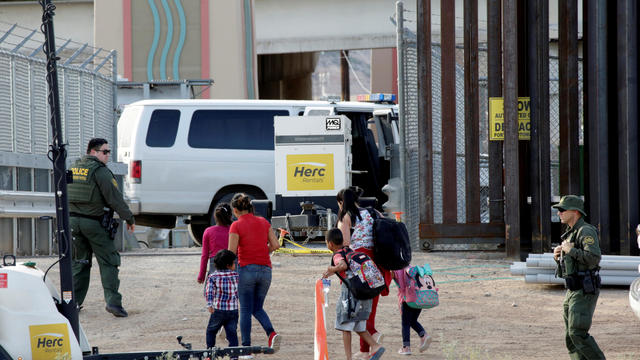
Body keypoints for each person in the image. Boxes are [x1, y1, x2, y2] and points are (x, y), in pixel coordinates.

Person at [67, 138, 135, 317]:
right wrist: (129, 218)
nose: (107, 156)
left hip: (72, 223)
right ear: (93, 152)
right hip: (94, 224)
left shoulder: (72, 168)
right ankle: (113, 303)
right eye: (104, 152)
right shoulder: (100, 171)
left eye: (108, 152)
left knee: (79, 263)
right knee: (109, 261)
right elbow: (115, 198)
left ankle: (73, 303)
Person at [336, 187, 389, 359]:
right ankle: (366, 349)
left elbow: (344, 245)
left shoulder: (346, 217)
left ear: (341, 202)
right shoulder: (373, 212)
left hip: (358, 264)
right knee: (370, 307)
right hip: (376, 262)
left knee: (354, 308)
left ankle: (373, 336)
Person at [552, 195, 605, 360]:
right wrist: (558, 257)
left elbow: (594, 257)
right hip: (572, 289)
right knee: (570, 335)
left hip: (584, 289)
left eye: (562, 210)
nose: (559, 213)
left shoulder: (585, 231)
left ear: (575, 211)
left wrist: (570, 250)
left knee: (577, 333)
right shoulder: (571, 233)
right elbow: (570, 264)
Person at [227, 193, 281, 355]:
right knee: (257, 307)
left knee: (244, 309)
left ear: (235, 211)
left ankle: (246, 348)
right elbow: (276, 244)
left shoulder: (236, 226)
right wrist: (264, 251)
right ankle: (271, 334)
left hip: (246, 270)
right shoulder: (263, 222)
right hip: (265, 270)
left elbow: (231, 252)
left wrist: (228, 271)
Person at [322, 228, 385, 360]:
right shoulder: (349, 250)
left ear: (330, 244)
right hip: (364, 293)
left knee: (346, 326)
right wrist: (332, 272)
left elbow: (343, 266)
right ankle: (375, 346)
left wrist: (331, 268)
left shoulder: (337, 255)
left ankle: (348, 357)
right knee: (359, 325)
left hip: (351, 295)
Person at [204, 249, 239, 352]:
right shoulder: (236, 276)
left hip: (218, 310)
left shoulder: (213, 277)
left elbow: (209, 292)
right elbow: (239, 292)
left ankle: (210, 353)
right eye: (234, 263)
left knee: (211, 331)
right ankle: (234, 356)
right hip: (233, 310)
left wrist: (210, 304)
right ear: (229, 265)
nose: (235, 265)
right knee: (232, 333)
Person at [392, 267, 432, 355]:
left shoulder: (396, 270)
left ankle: (406, 348)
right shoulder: (412, 268)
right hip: (420, 298)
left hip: (408, 299)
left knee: (405, 323)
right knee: (412, 321)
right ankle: (423, 335)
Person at [198, 203, 233, 284]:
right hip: (231, 264)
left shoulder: (208, 231)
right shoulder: (233, 230)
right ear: (230, 216)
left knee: (211, 293)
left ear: (215, 216)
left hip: (215, 265)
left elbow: (205, 256)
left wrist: (201, 275)